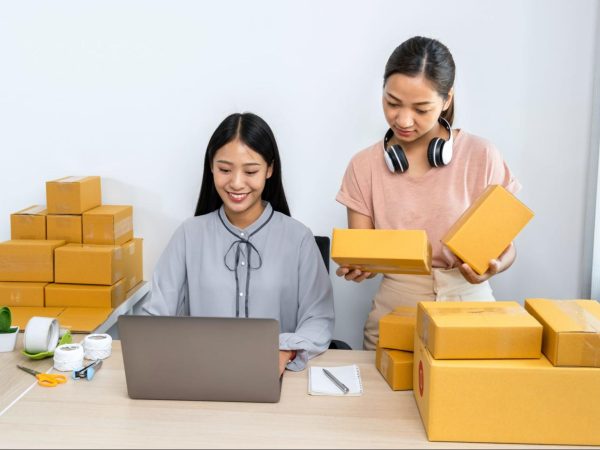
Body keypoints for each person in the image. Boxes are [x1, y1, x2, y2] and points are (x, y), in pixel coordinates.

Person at [335, 36, 521, 350]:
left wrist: (496, 266)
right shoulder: (363, 165)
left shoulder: (482, 155)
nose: (403, 120)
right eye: (392, 103)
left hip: (469, 304)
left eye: (421, 109)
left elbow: (507, 248)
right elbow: (366, 253)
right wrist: (361, 268)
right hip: (396, 308)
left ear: (447, 99)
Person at [142, 112, 334, 374]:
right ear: (211, 167)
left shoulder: (299, 238)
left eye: (251, 171)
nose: (236, 183)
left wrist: (285, 351)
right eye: (224, 169)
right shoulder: (189, 234)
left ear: (269, 169)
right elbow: (155, 316)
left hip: (276, 377)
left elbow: (318, 318)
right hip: (201, 376)